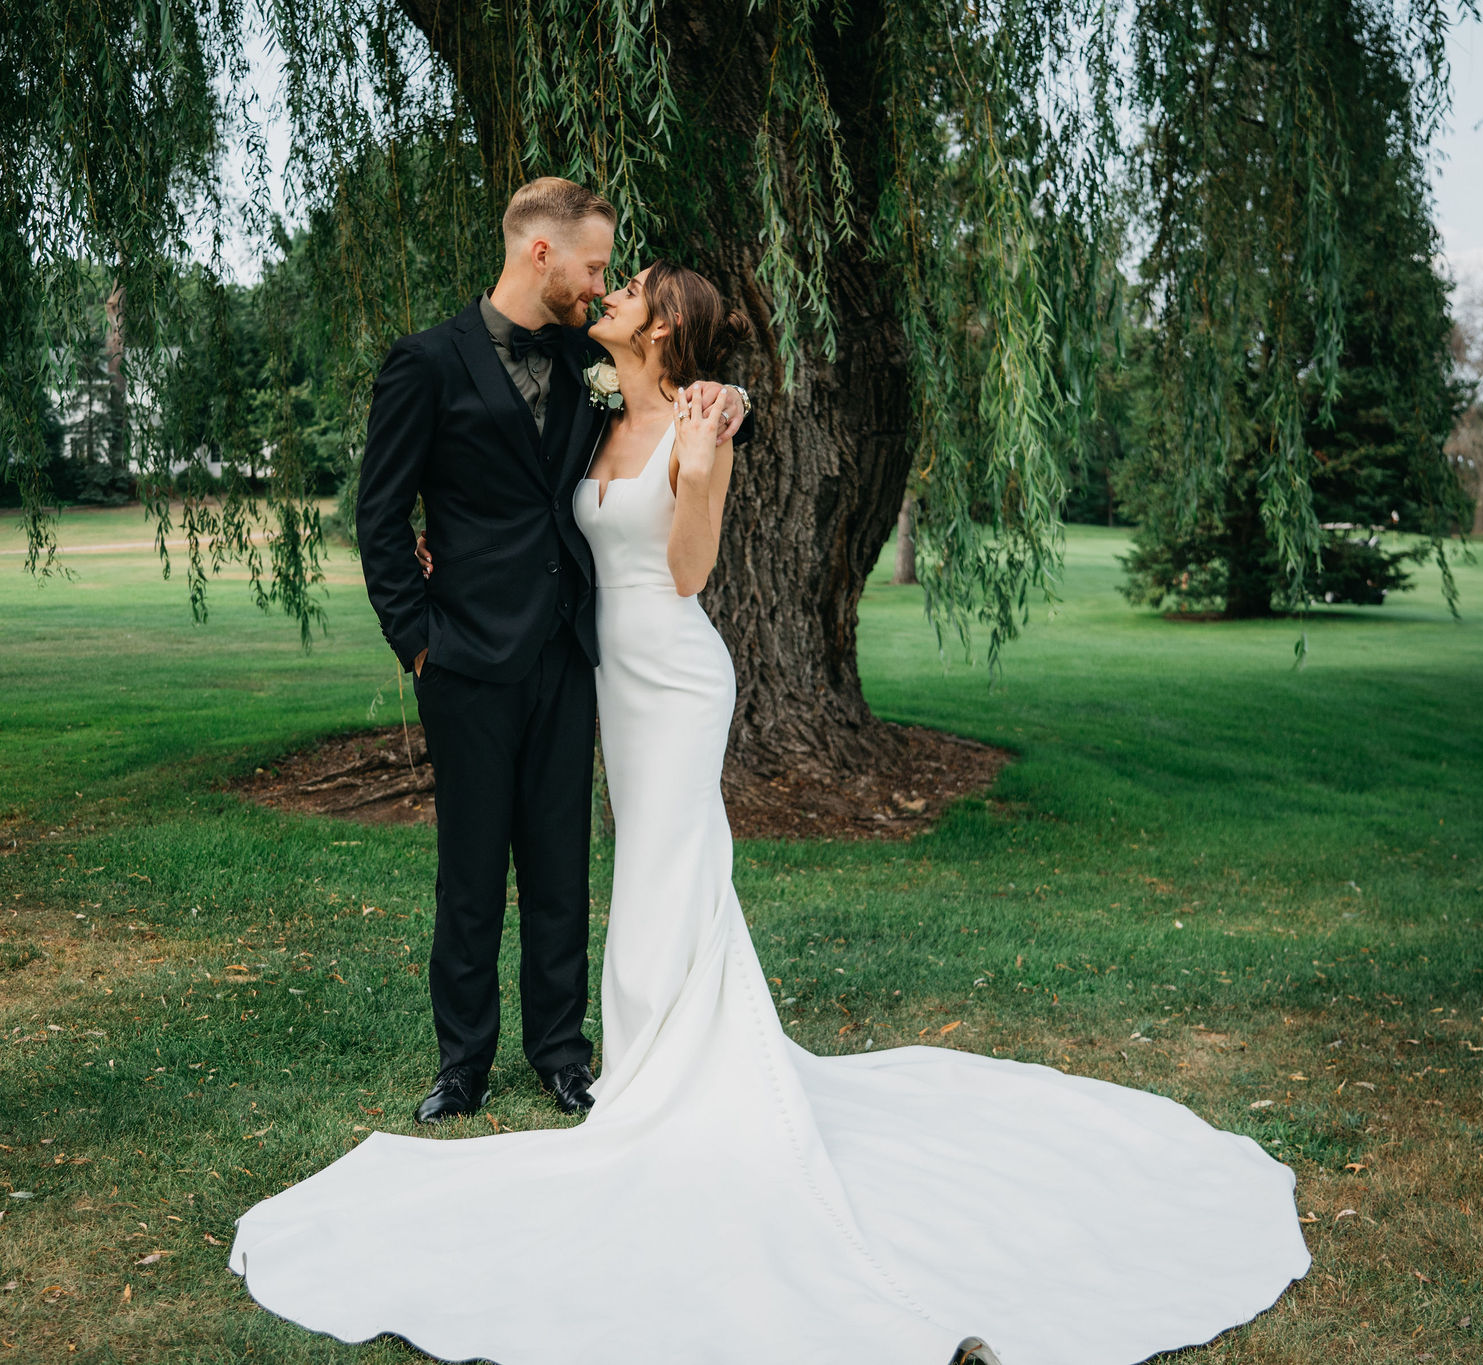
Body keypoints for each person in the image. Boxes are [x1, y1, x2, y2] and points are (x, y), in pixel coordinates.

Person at [231, 225, 1312, 1365]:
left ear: (658, 328)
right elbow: (491, 508)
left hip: (671, 674)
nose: (610, 289)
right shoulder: (595, 404)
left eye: (629, 287)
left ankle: (632, 1072)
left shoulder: (695, 431)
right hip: (580, 667)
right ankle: (566, 1062)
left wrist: (709, 449)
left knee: (655, 861)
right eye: (605, 272)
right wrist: (433, 612)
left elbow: (689, 569)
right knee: (613, 862)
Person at [350, 176, 747, 1126]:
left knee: (562, 866)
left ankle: (564, 1054)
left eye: (612, 274)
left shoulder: (588, 360)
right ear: (542, 254)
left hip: (572, 653)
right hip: (464, 658)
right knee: (472, 869)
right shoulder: (425, 362)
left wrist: (730, 395)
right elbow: (378, 518)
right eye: (595, 265)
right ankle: (462, 1063)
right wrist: (418, 645)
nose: (598, 283)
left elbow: (678, 393)